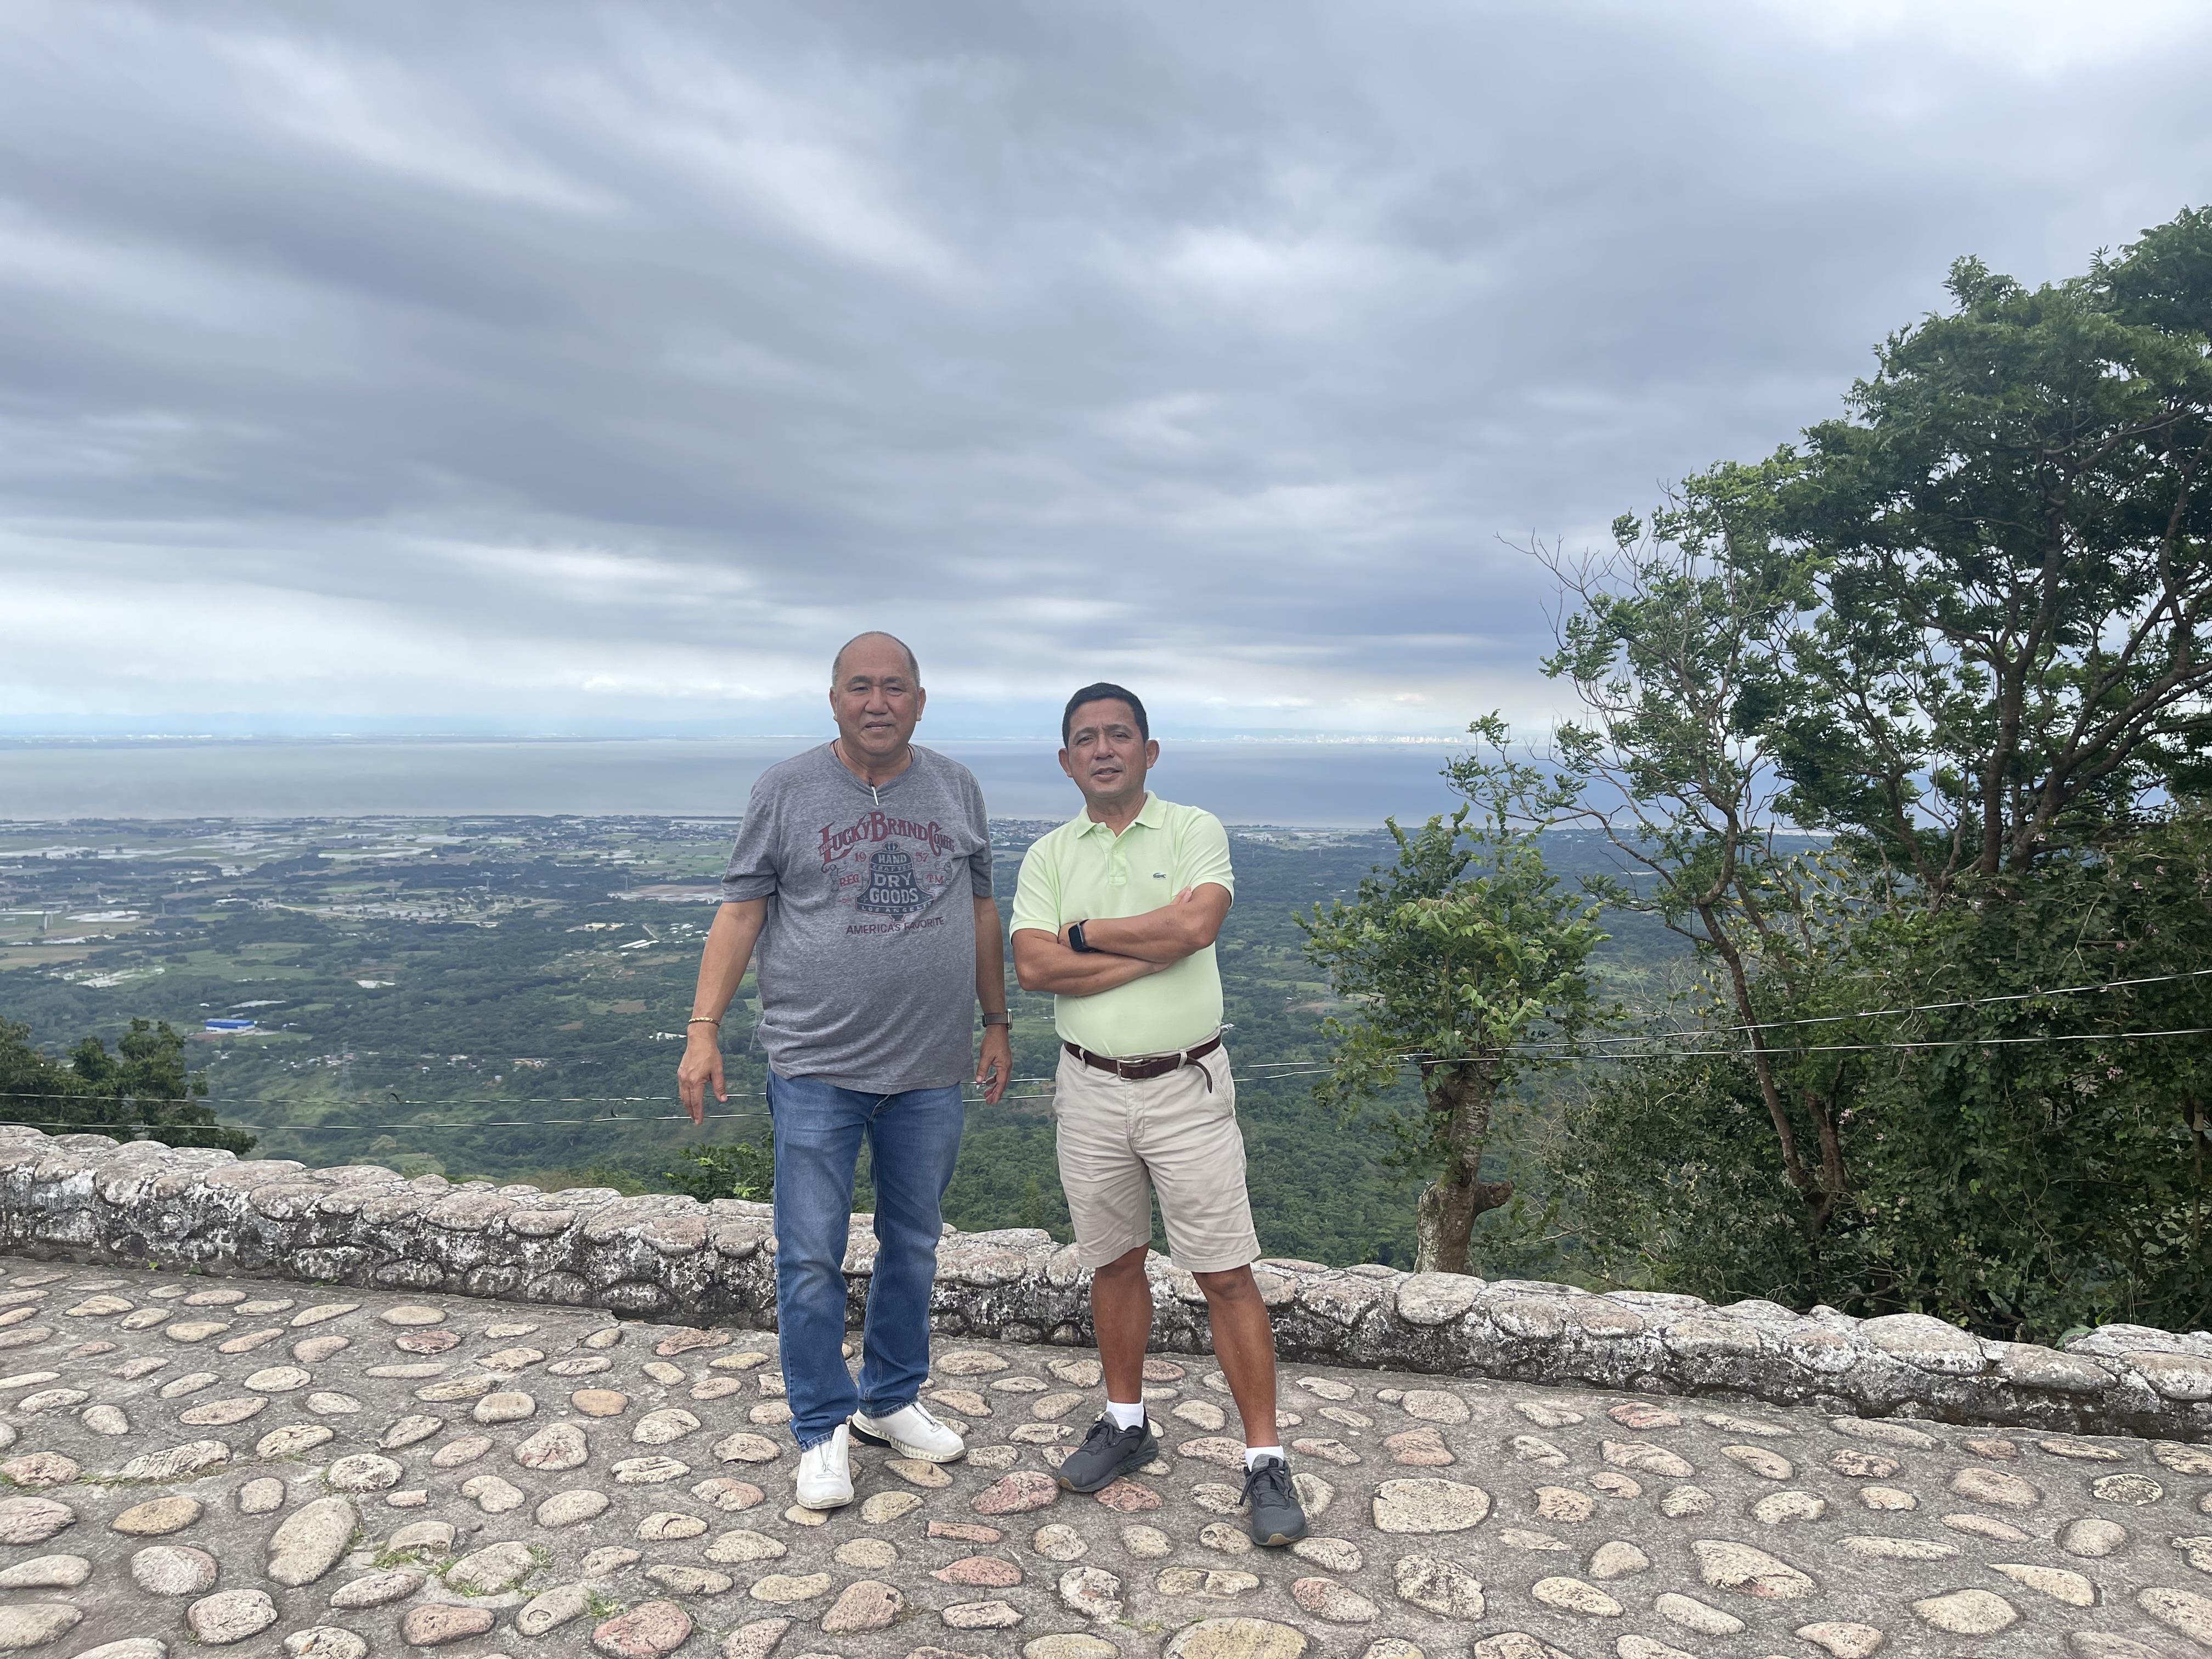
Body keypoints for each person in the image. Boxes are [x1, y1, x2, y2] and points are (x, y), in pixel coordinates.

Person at [679, 632, 1012, 1510]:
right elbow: (742, 910)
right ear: (833, 699)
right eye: (860, 687)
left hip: (930, 1067)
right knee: (810, 1256)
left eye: (893, 687)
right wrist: (702, 1027)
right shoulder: (785, 789)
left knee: (914, 1245)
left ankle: (889, 1400)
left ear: (920, 700)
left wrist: (999, 1018)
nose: (877, 702)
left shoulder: (957, 787)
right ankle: (822, 1425)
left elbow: (981, 911)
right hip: (816, 1064)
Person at [1009, 682, 1306, 1546]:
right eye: (1087, 739)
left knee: (1224, 1273)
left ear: (1149, 750)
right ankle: (1127, 1421)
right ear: (1066, 761)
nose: (1104, 749)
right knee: (1114, 1264)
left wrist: (1083, 935)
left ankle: (1264, 1460)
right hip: (1089, 1088)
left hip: (1186, 1087)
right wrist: (1146, 948)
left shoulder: (1193, 829)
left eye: (1120, 735)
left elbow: (1200, 925)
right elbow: (1032, 968)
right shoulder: (1046, 855)